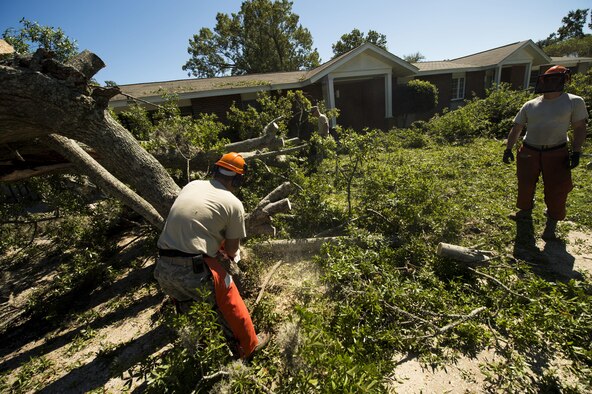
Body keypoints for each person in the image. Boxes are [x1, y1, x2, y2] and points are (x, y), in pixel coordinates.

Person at [154, 152, 269, 359]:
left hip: (162, 268)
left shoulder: (192, 185)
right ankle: (249, 346)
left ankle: (202, 348)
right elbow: (233, 251)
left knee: (188, 305)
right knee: (228, 295)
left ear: (215, 170)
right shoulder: (234, 204)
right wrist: (227, 250)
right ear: (238, 179)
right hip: (193, 269)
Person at [503, 65, 588, 240]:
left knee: (557, 188)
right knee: (525, 184)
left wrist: (577, 151)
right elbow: (517, 127)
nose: (550, 82)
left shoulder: (573, 101)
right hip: (529, 150)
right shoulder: (531, 104)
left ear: (563, 81)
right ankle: (524, 212)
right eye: (547, 79)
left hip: (556, 151)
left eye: (554, 79)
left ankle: (552, 223)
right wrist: (508, 149)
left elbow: (579, 128)